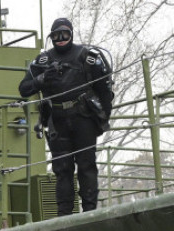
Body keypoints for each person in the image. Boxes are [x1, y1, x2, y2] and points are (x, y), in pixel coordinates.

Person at [18, 18, 113, 216]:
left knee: (87, 164)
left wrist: (104, 116)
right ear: (51, 37)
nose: (60, 39)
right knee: (62, 169)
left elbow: (105, 88)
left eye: (64, 34)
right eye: (56, 35)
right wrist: (41, 79)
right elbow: (23, 89)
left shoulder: (87, 56)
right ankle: (64, 215)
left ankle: (90, 213)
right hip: (57, 120)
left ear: (71, 34)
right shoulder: (43, 61)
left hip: (83, 118)